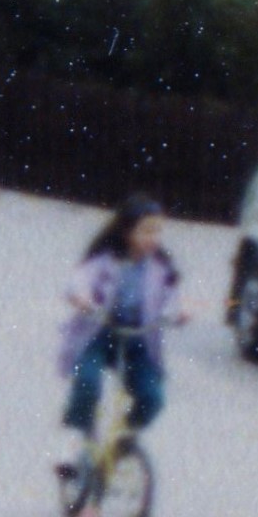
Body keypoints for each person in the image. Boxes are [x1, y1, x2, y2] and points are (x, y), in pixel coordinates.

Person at [56, 200, 182, 482]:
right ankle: (75, 437)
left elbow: (169, 297)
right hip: (98, 334)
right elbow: (80, 280)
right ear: (127, 232)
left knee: (152, 397)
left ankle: (123, 437)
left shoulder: (160, 268)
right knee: (88, 382)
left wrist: (175, 312)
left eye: (157, 231)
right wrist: (83, 297)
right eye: (146, 231)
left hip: (137, 338)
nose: (153, 238)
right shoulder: (106, 261)